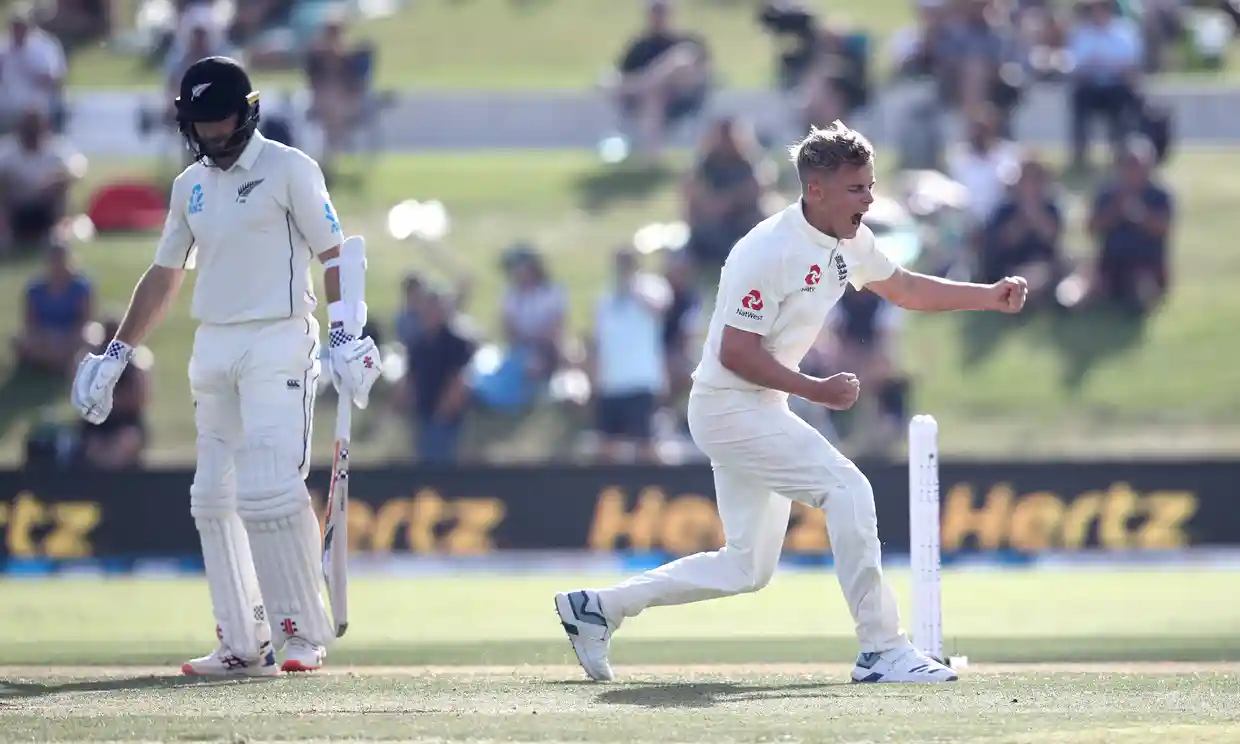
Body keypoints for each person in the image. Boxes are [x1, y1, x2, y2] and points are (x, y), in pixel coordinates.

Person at [554, 121, 1027, 685]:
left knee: (746, 567)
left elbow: (904, 287)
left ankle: (598, 609)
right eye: (857, 188)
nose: (870, 198)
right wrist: (817, 389)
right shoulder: (766, 250)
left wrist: (987, 296)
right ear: (816, 190)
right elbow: (735, 352)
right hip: (728, 406)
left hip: (756, 407)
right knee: (847, 488)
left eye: (870, 186)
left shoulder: (851, 240)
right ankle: (881, 648)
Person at [68, 57, 381, 677]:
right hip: (214, 347)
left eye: (222, 121)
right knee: (212, 498)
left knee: (270, 486)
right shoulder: (190, 186)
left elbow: (336, 254)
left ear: (248, 110)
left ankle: (300, 635)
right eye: (201, 124)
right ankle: (243, 642)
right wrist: (117, 353)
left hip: (278, 338)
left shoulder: (291, 168)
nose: (213, 134)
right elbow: (164, 275)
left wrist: (347, 332)